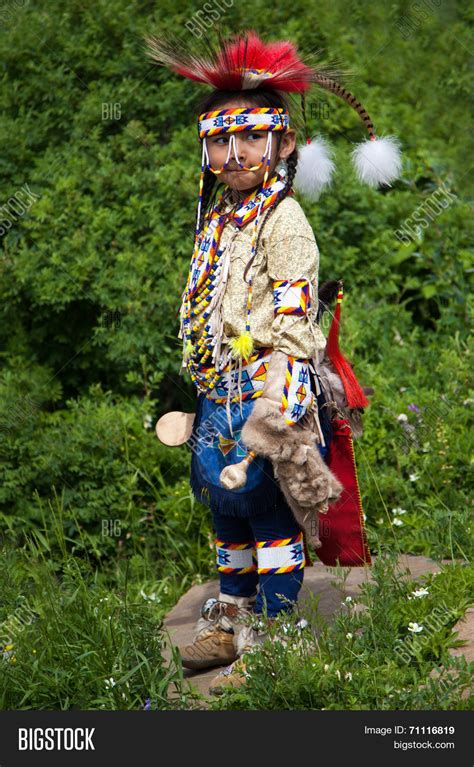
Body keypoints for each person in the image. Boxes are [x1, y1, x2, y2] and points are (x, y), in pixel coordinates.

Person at [146, 30, 401, 694]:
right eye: (220, 141)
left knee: (269, 516)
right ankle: (227, 622)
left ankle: (277, 637)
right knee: (225, 516)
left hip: (266, 391)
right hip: (216, 392)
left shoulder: (283, 222)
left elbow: (294, 318)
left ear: (283, 143)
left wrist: (279, 398)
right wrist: (184, 387)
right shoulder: (219, 220)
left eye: (250, 138)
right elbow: (201, 314)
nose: (234, 154)